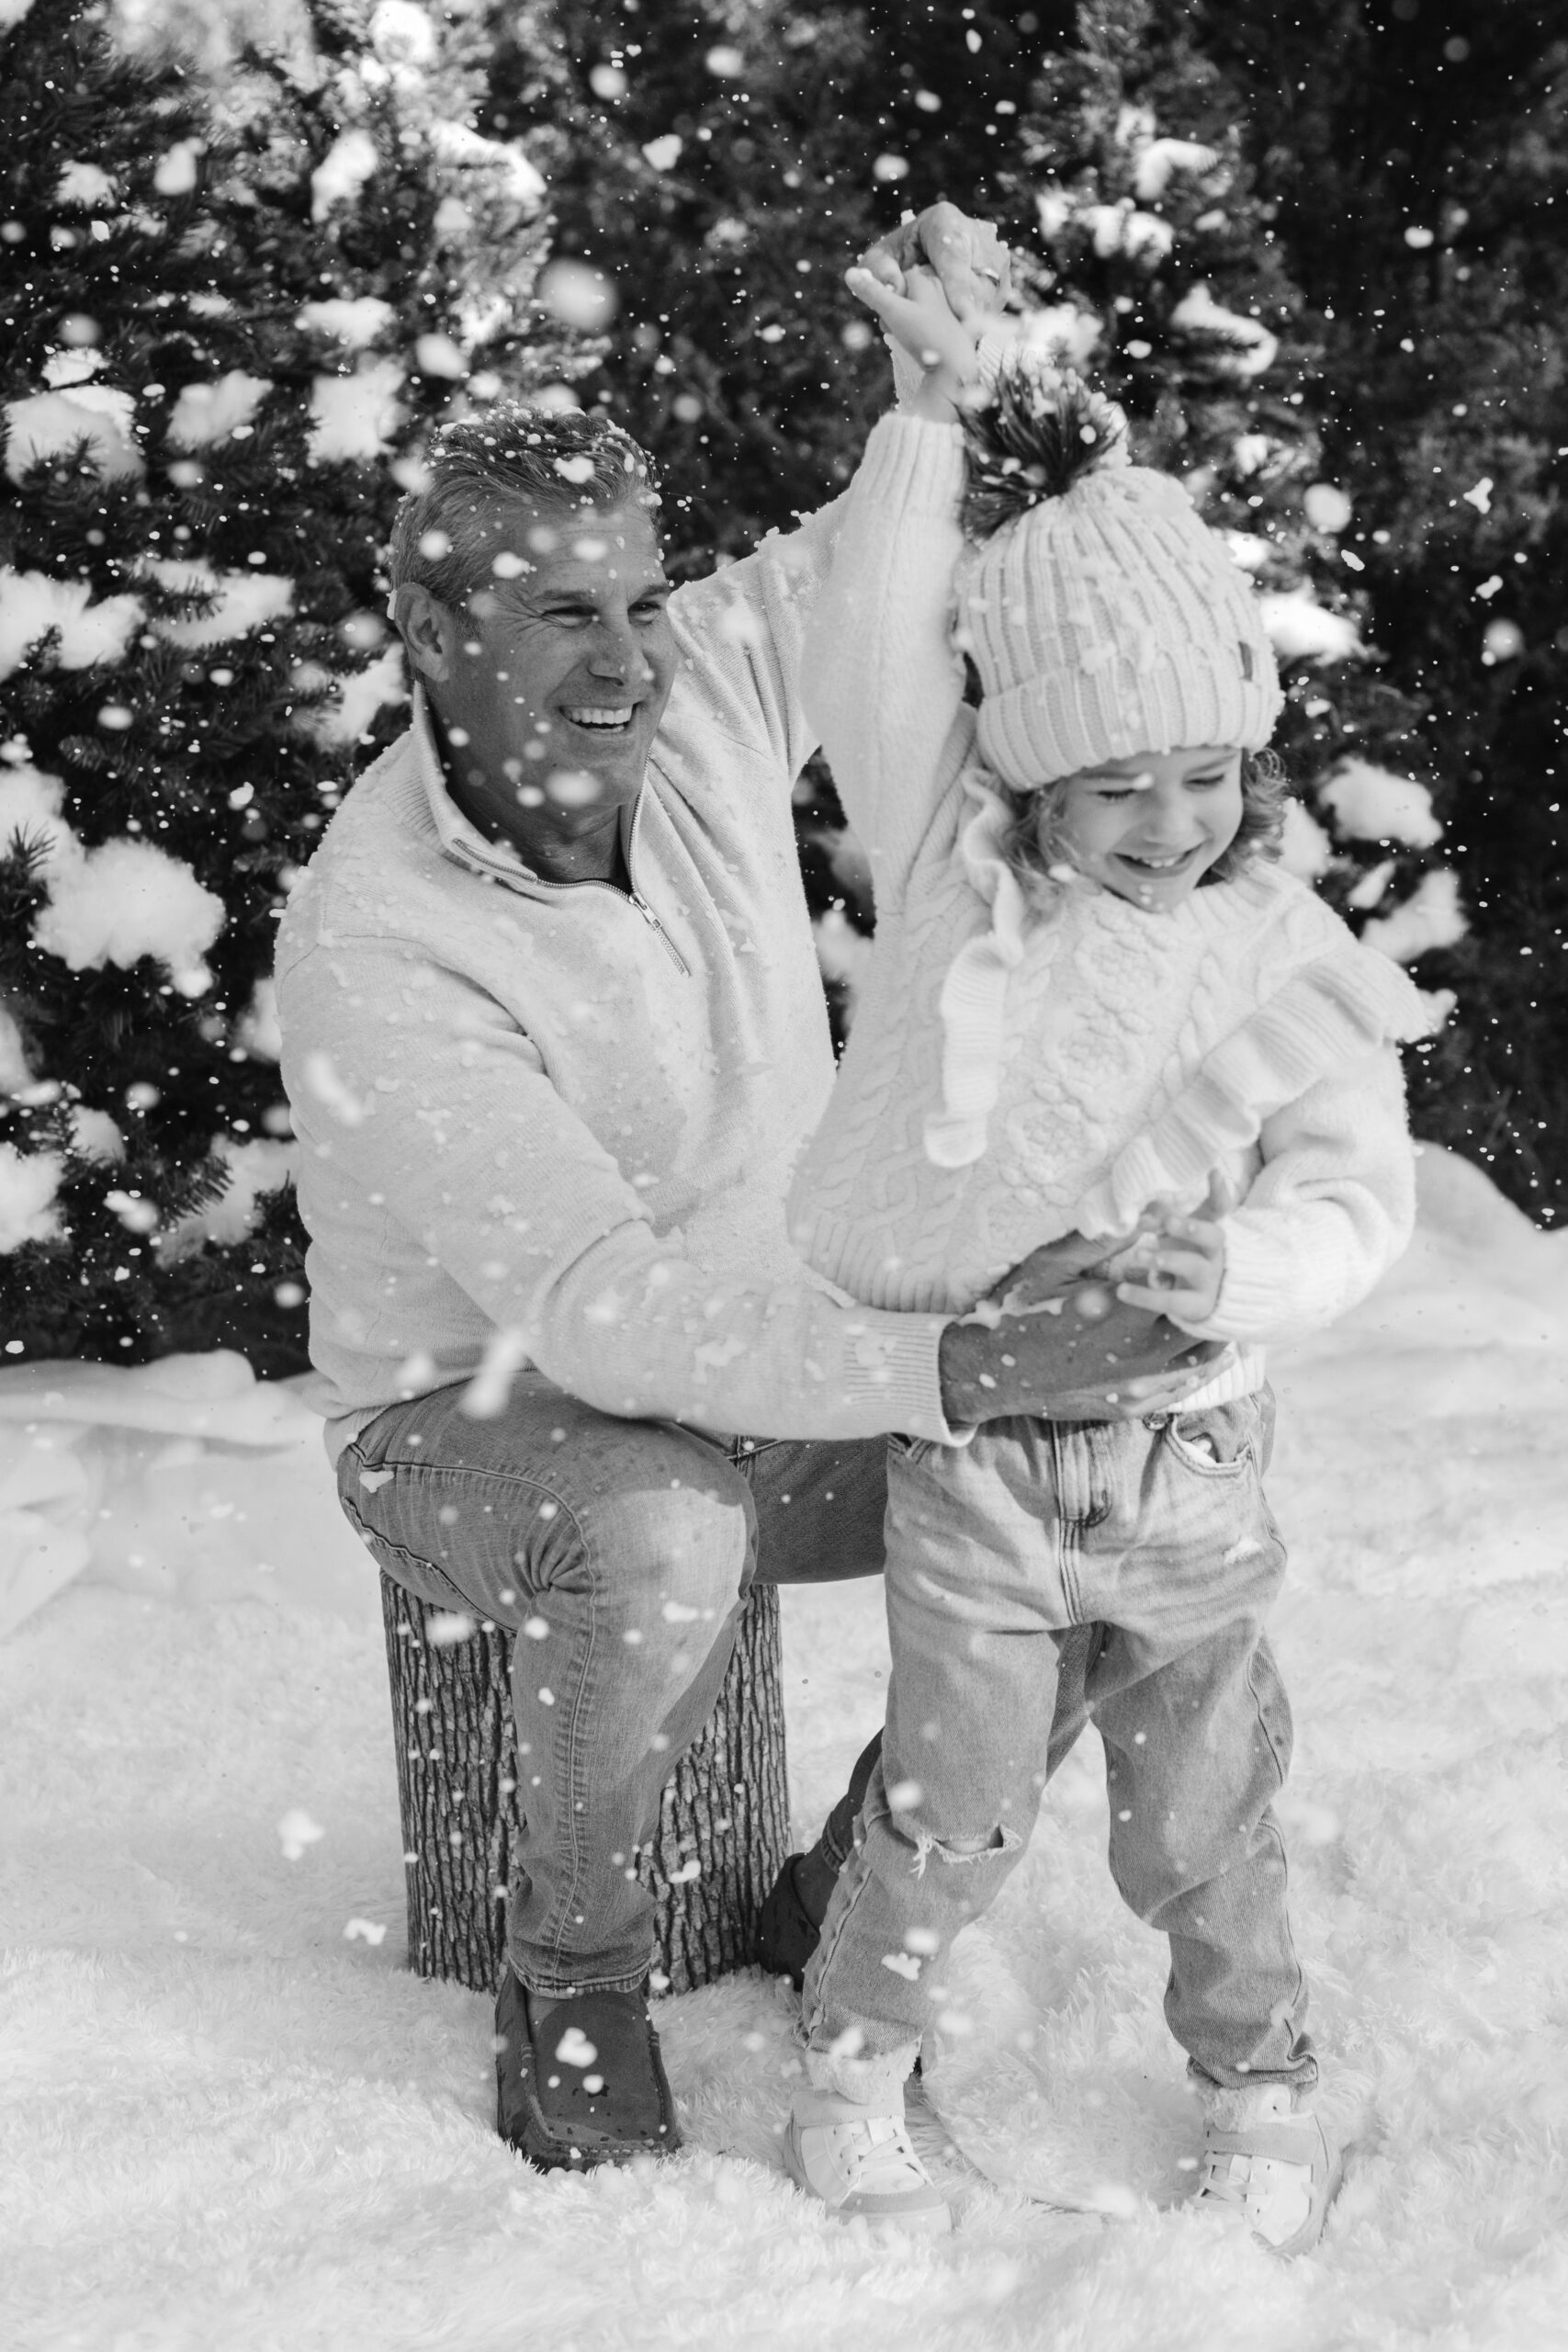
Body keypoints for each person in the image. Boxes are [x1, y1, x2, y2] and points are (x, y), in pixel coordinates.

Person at [274, 207, 1213, 2179]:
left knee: (1098, 1470)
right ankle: (573, 1975)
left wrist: (926, 407)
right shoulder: (382, 935)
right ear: (432, 634)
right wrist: (937, 1359)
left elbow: (848, 587)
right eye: (560, 617)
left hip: (747, 1359)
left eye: (635, 600)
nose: (630, 657)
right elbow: (602, 1317)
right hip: (470, 1419)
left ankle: (843, 1896)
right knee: (658, 1513)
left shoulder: (681, 680)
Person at [776, 265, 1432, 2253]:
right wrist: (919, 423)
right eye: (1116, 778)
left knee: (1202, 1810)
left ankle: (1258, 2078)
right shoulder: (949, 881)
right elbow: (886, 650)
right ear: (1030, 777)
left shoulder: (1280, 952)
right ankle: (853, 2054)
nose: (1170, 819)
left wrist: (1228, 1269)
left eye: (1207, 770)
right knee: (948, 1799)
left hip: (1185, 1459)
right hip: (974, 1459)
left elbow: (1353, 1195)